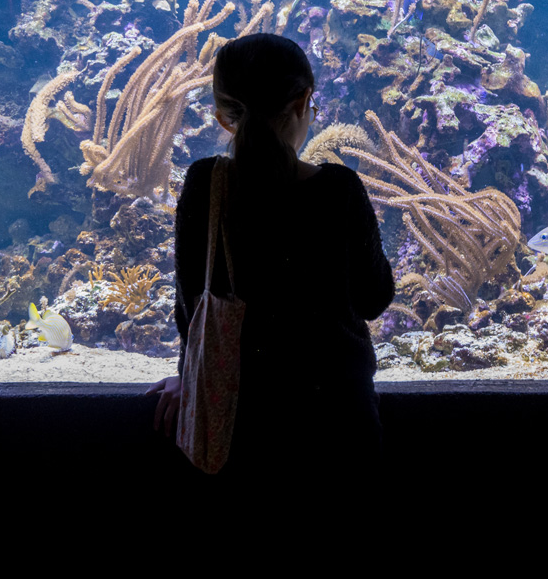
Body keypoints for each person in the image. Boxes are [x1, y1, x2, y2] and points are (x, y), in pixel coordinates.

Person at [147, 32, 394, 482]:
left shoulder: (205, 183)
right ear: (303, 102)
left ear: (223, 117)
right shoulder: (340, 190)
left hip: (239, 421)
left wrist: (186, 373)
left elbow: (191, 304)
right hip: (337, 416)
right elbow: (375, 299)